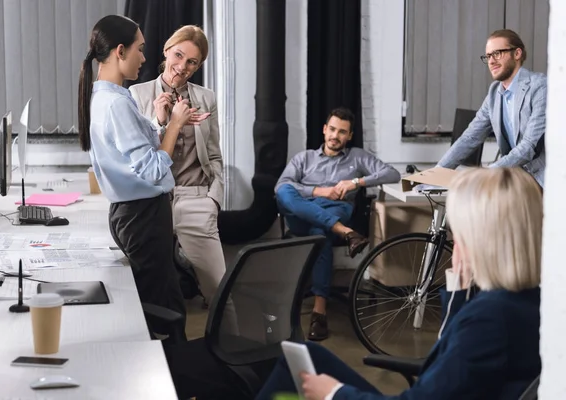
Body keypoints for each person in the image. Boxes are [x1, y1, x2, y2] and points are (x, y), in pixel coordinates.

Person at [257, 167, 542, 400]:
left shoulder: (490, 320)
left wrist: (334, 394)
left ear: (482, 238)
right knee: (306, 354)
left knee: (296, 372)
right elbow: (448, 359)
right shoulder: (530, 303)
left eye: (461, 230)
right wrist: (458, 289)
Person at [78, 15, 200, 343]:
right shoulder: (117, 104)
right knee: (167, 310)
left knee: (157, 302)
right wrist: (174, 124)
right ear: (120, 51)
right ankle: (179, 385)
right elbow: (153, 169)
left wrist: (159, 123)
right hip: (143, 216)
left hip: (133, 214)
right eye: (140, 50)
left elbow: (134, 152)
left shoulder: (110, 97)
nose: (145, 58)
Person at [129, 26, 232, 320]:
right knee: (146, 290)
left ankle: (232, 359)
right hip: (153, 201)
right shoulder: (137, 95)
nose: (182, 67)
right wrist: (160, 122)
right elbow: (141, 159)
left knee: (220, 291)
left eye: (192, 62)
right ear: (165, 50)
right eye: (178, 55)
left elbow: (214, 154)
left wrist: (213, 199)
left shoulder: (206, 98)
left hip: (196, 198)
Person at [275, 107, 401, 341]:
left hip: (335, 209)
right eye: (332, 129)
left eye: (342, 132)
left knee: (319, 231)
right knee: (284, 191)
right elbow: (282, 186)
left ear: (349, 136)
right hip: (302, 214)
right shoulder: (304, 158)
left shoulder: (357, 157)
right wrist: (318, 191)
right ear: (324, 130)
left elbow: (392, 174)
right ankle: (346, 232)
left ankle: (319, 311)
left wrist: (356, 182)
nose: (336, 136)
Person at [437, 29, 546, 188]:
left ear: (517, 53)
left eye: (497, 54)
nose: (491, 61)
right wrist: (438, 172)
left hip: (543, 181)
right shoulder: (495, 93)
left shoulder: (539, 87)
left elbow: (528, 146)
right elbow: (470, 138)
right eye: (488, 56)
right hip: (515, 180)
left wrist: (487, 173)